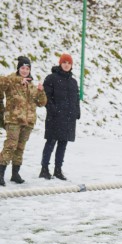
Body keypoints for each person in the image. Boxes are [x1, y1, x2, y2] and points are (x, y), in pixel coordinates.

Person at [0, 56, 47, 186]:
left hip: (28, 122)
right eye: (22, 68)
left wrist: (41, 92)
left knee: (20, 148)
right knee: (10, 145)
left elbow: (42, 103)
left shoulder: (31, 85)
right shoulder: (11, 81)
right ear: (18, 68)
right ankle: (1, 173)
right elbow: (1, 82)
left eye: (27, 68)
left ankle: (15, 174)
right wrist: (18, 80)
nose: (25, 70)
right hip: (13, 120)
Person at [39, 53, 80, 181]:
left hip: (68, 118)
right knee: (51, 142)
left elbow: (76, 99)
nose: (67, 65)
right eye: (64, 62)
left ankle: (58, 169)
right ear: (60, 63)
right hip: (55, 117)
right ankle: (44, 169)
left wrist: (76, 112)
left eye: (69, 63)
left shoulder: (73, 82)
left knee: (63, 143)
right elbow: (46, 97)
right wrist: (53, 110)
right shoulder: (51, 78)